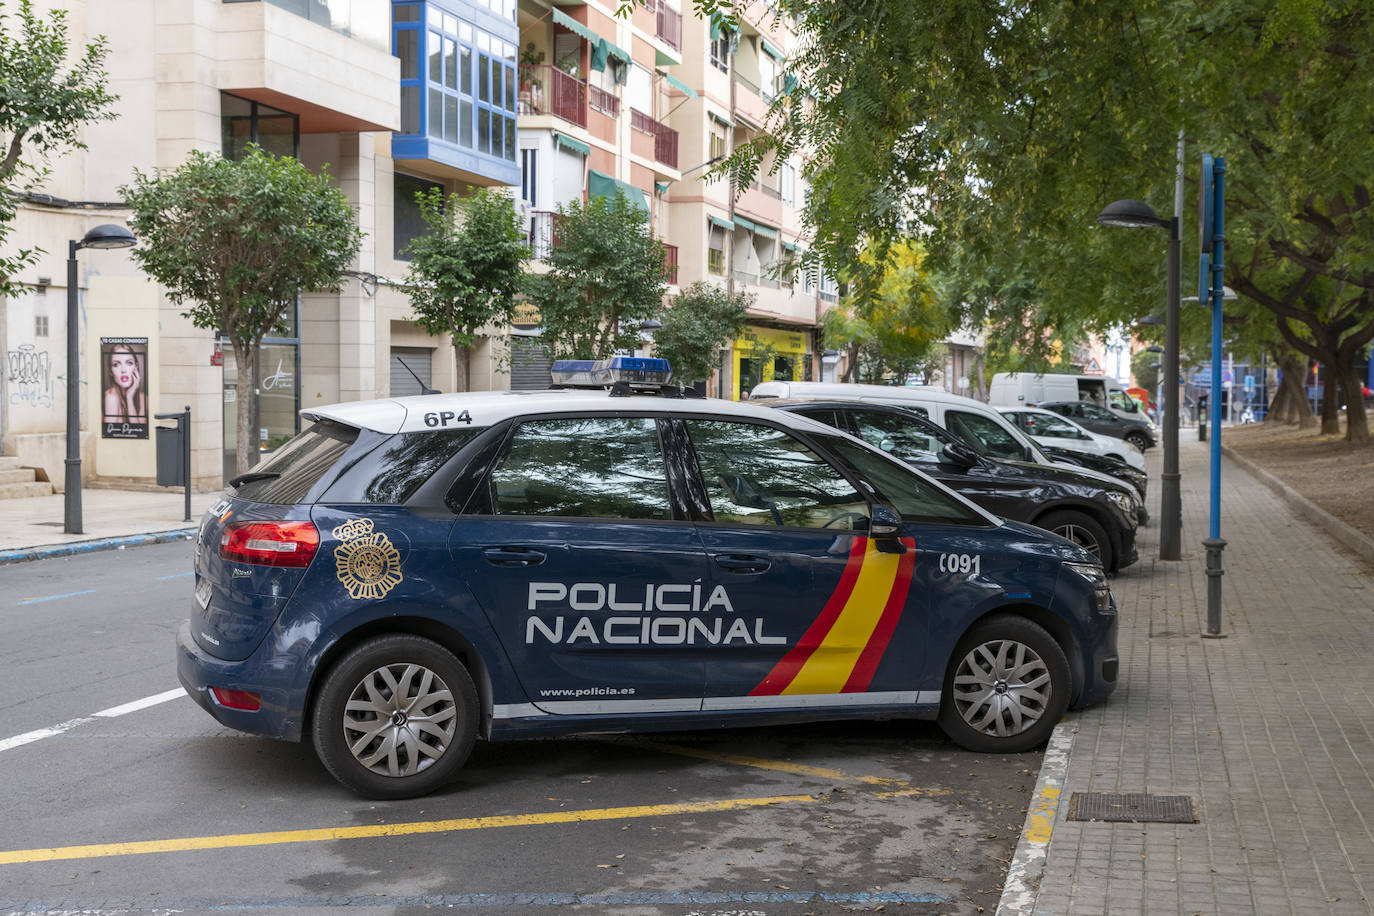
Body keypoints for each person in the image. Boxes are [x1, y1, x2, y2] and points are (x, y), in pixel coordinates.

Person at [103, 343, 147, 427]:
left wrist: (129, 398)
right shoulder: (110, 398)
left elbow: (139, 432)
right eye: (116, 364)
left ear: (136, 367)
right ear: (110, 371)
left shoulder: (144, 398)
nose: (123, 370)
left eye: (129, 363)